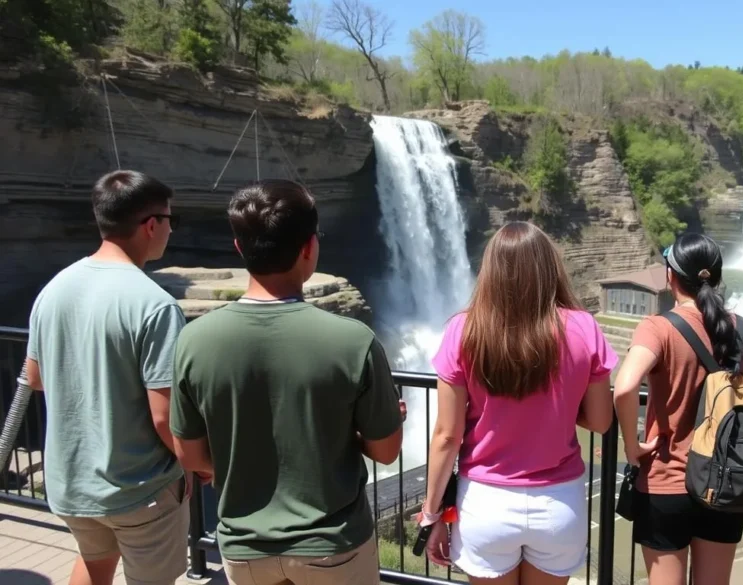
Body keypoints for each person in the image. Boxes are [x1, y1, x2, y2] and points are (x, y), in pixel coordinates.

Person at [170, 179, 404, 585]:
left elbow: (190, 456)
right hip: (334, 546)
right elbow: (386, 452)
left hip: (244, 550)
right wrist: (356, 431)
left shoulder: (193, 341)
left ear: (239, 247)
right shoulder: (353, 341)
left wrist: (236, 459)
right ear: (310, 247)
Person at [420, 221, 616, 585]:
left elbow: (447, 436)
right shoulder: (584, 327)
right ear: (550, 268)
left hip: (485, 504)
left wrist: (432, 514)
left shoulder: (462, 331)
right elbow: (602, 421)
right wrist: (558, 408)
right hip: (559, 505)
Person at [22, 170, 190, 585]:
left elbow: (35, 377)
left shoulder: (55, 289)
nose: (170, 229)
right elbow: (163, 416)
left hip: (72, 484)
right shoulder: (156, 305)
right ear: (152, 225)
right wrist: (201, 465)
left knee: (95, 566)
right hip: (138, 491)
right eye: (170, 220)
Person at [613, 233, 743, 585]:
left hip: (666, 482)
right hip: (726, 484)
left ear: (670, 276)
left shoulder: (658, 328)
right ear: (716, 278)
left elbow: (625, 387)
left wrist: (632, 447)